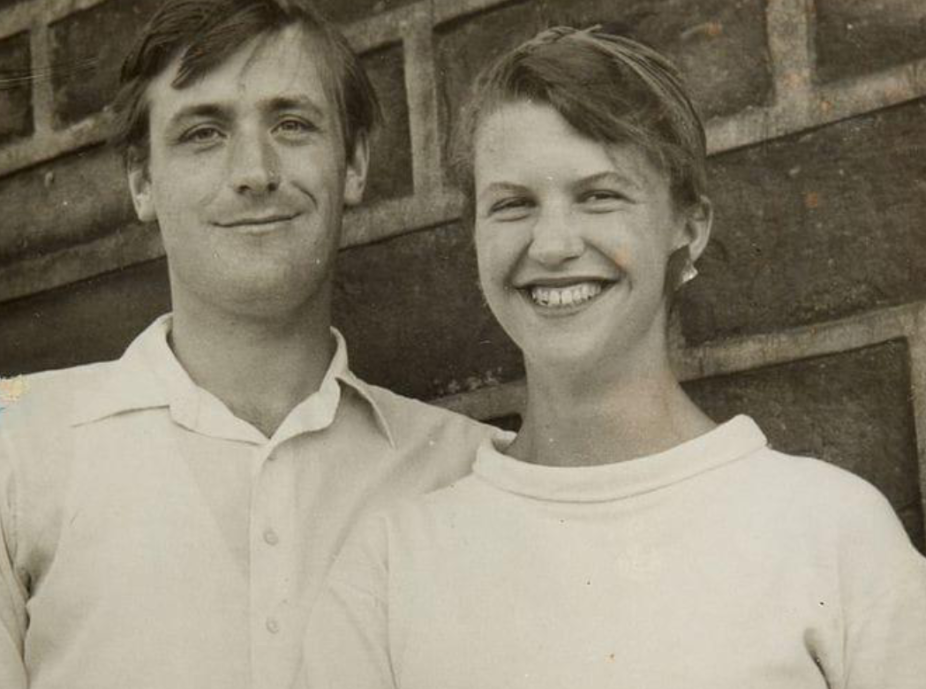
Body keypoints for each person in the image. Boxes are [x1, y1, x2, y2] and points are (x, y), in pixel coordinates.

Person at [297, 26, 926, 689]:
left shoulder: (833, 535)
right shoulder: (394, 566)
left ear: (690, 224)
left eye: (599, 194)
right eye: (512, 204)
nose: (553, 243)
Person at [0, 2, 498, 688]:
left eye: (293, 123)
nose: (253, 170)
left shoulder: (469, 470)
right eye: (203, 132)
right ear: (141, 181)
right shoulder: (7, 446)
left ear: (356, 162)